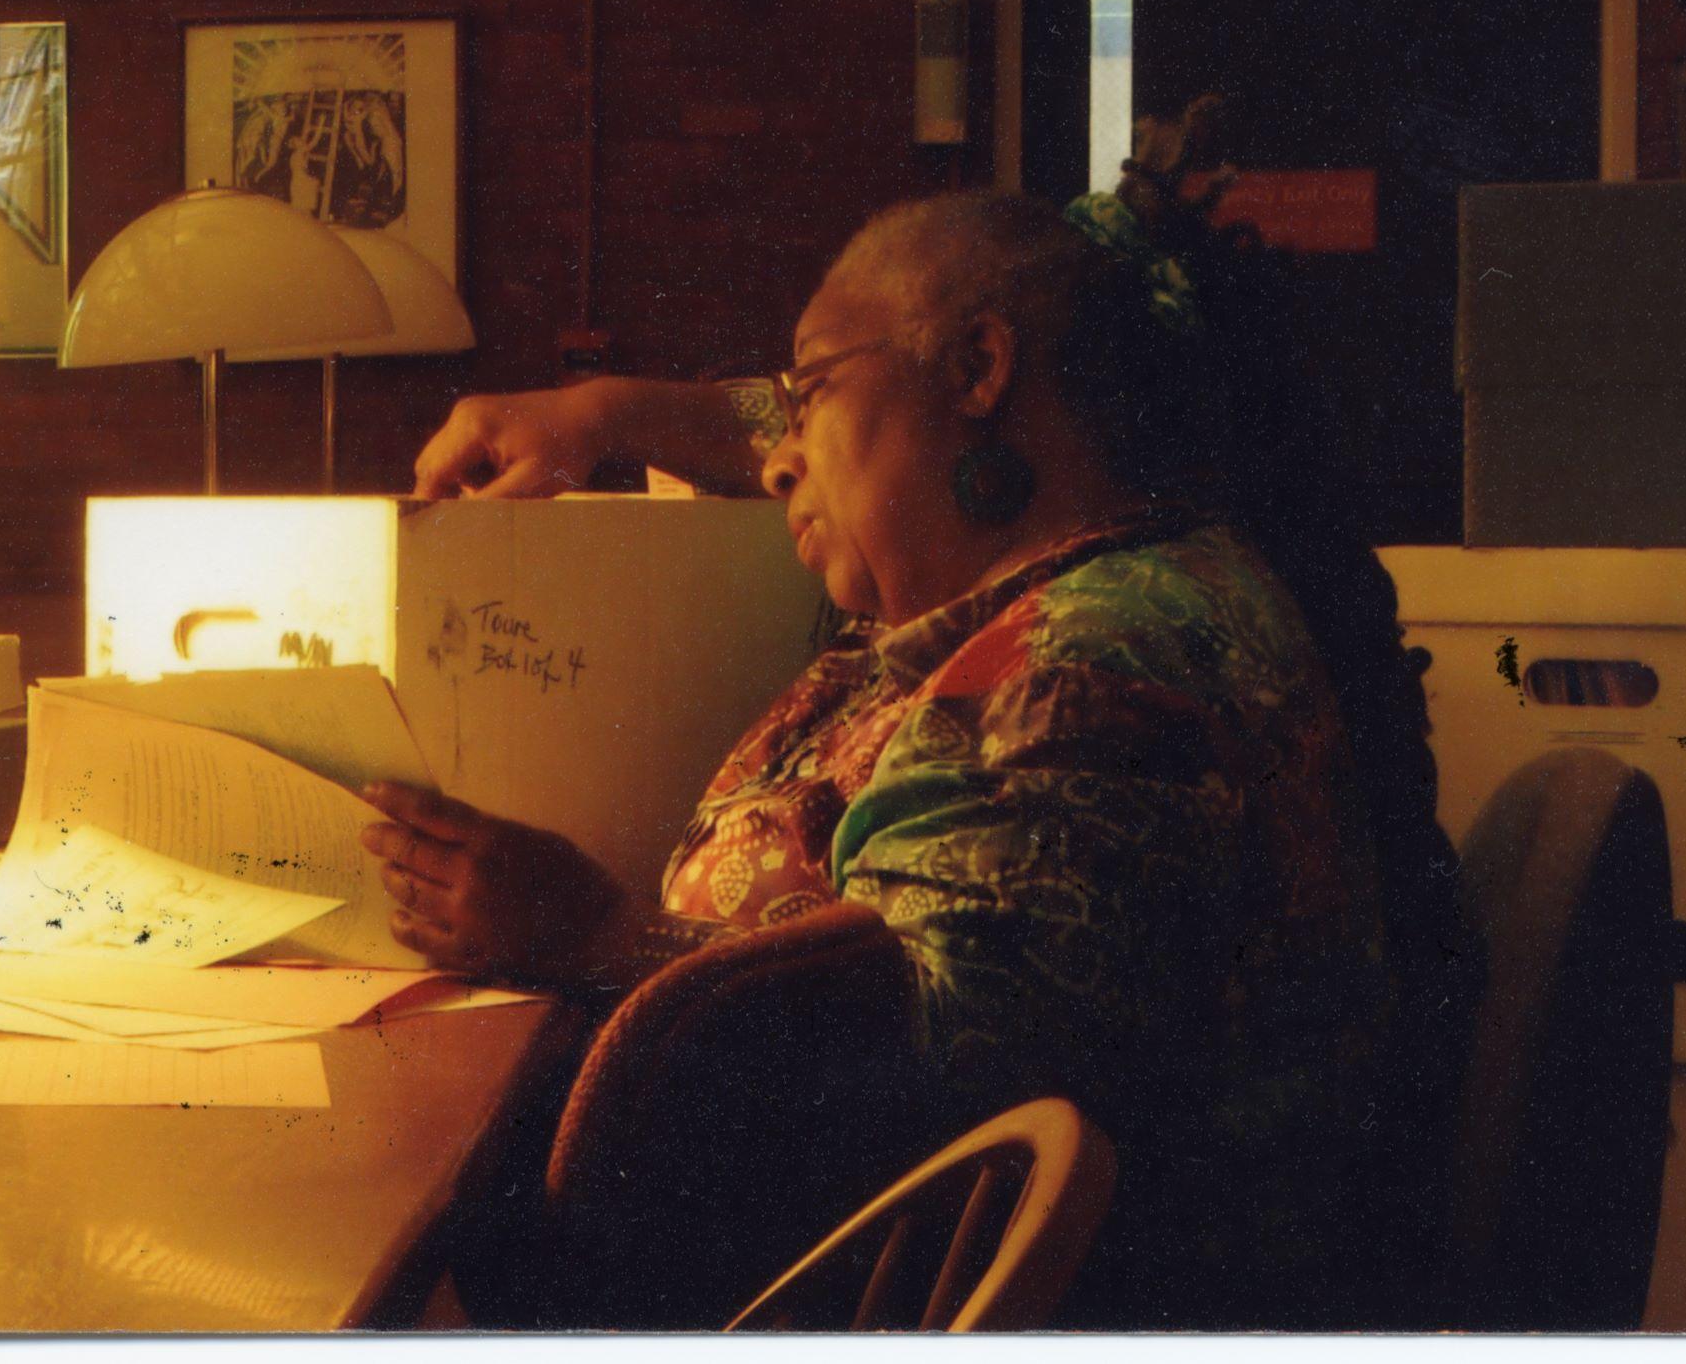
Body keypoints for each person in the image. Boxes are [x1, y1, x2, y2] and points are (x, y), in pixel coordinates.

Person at [372, 146, 1476, 1329]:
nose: (779, 453)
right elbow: (804, 406)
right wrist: (612, 413)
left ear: (980, 369)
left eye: (807, 401)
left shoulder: (1083, 679)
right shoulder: (1070, 586)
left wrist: (588, 932)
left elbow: (924, 1077)